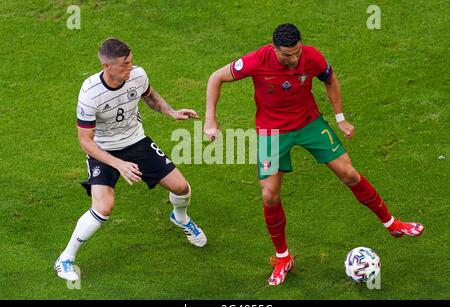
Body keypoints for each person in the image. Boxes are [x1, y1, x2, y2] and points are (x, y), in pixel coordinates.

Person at [204, 23, 424, 286]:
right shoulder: (256, 60)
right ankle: (283, 257)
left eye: (297, 52)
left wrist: (340, 118)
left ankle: (392, 223)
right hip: (272, 132)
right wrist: (210, 120)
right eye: (287, 55)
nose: (294, 59)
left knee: (349, 173)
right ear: (274, 49)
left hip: (309, 123)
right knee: (270, 195)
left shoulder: (312, 56)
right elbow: (216, 77)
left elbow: (330, 79)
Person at [55, 38, 207, 282]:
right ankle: (65, 258)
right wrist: (118, 164)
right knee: (103, 207)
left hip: (136, 142)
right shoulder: (90, 93)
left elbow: (150, 96)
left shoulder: (137, 75)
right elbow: (85, 141)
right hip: (103, 151)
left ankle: (180, 217)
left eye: (131, 62)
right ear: (106, 66)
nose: (130, 68)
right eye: (124, 65)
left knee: (182, 188)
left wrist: (171, 111)